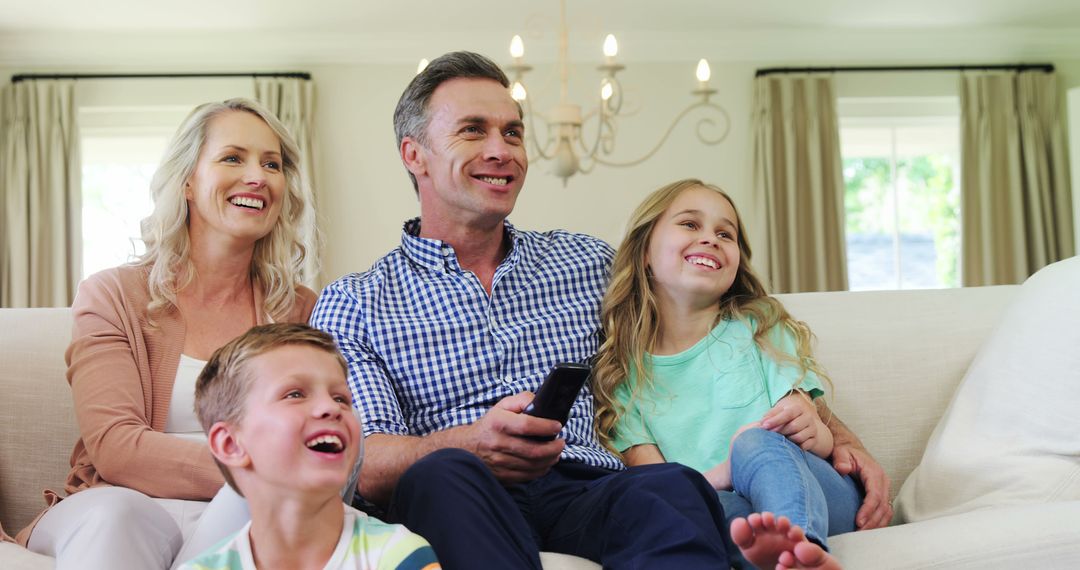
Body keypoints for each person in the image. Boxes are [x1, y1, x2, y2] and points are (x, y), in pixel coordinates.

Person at [310, 51, 731, 568]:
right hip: (459, 491)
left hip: (585, 485)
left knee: (670, 485)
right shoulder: (354, 302)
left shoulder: (589, 262)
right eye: (473, 130)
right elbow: (361, 461)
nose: (501, 150)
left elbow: (720, 329)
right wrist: (469, 444)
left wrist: (825, 421)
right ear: (414, 155)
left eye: (512, 133)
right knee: (442, 475)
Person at [21, 98, 319, 570]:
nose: (258, 177)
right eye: (232, 158)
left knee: (266, 513)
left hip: (246, 509)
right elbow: (116, 446)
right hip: (122, 502)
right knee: (118, 516)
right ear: (186, 181)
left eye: (272, 164)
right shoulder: (113, 295)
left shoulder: (305, 312)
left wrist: (263, 482)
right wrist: (255, 470)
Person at [592, 178, 863, 568]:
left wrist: (815, 432)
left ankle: (801, 551)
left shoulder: (762, 328)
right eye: (690, 224)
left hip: (817, 493)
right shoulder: (620, 375)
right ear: (645, 251)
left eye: (725, 233)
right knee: (712, 512)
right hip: (724, 505)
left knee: (755, 444)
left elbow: (814, 445)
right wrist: (725, 473)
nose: (710, 239)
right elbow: (659, 489)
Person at [179, 323, 439, 570]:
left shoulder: (399, 555)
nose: (331, 408)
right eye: (295, 394)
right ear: (230, 444)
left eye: (341, 398)